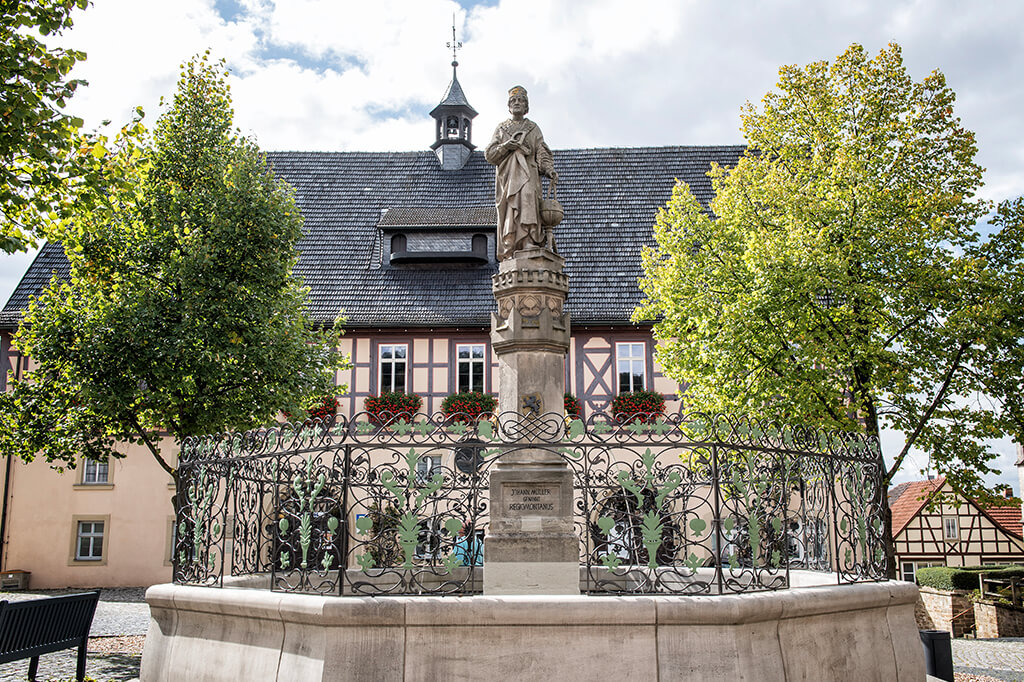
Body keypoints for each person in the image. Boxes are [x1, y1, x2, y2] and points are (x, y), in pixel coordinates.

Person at [485, 85, 558, 260]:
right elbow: (490, 155)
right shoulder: (502, 129)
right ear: (509, 106)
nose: (517, 103)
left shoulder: (533, 128)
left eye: (521, 100)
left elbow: (541, 151)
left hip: (529, 175)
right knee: (511, 208)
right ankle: (511, 245)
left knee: (528, 199)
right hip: (508, 178)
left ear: (526, 106)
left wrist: (548, 169)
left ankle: (529, 241)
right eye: (513, 101)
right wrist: (506, 146)